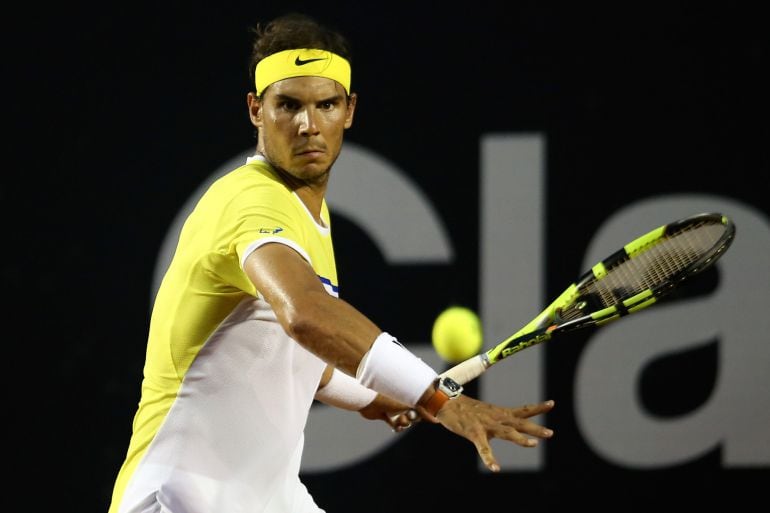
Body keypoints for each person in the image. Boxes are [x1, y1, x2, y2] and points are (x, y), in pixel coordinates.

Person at [107, 12, 555, 513]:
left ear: (349, 110)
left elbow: (289, 356)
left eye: (326, 104)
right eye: (288, 106)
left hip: (267, 497)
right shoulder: (250, 201)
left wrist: (371, 397)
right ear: (256, 110)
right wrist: (437, 398)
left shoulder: (305, 215)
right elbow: (305, 315)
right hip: (180, 496)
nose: (307, 124)